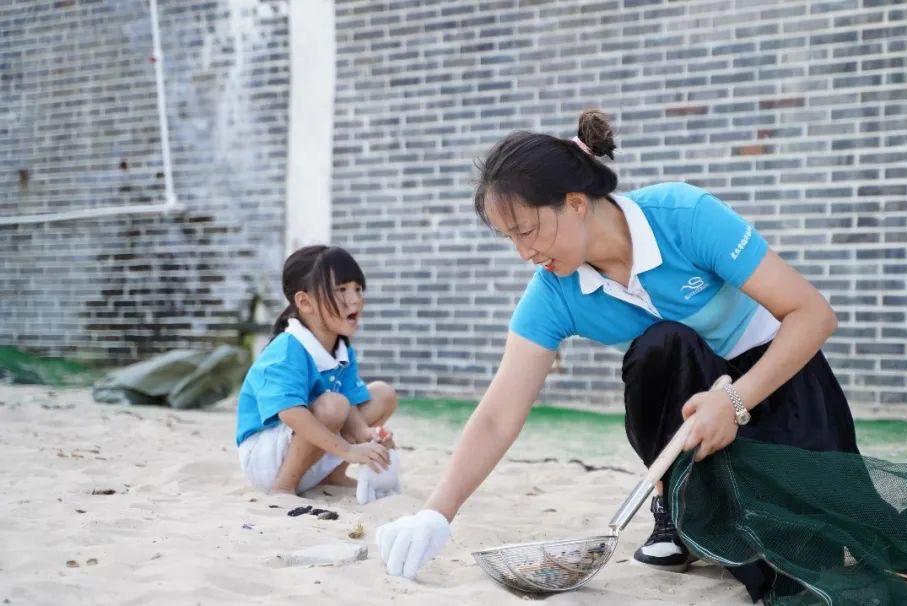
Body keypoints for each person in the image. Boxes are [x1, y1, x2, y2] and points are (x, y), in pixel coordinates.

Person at [376, 110, 857, 601]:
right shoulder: (555, 292)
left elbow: (813, 315)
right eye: (511, 239)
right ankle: (678, 502)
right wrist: (436, 513)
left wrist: (733, 401)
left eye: (528, 230)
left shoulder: (682, 216)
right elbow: (499, 414)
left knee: (810, 557)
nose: (524, 252)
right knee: (661, 347)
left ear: (576, 202)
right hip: (696, 420)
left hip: (780, 386)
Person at [235, 245, 402, 502]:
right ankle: (284, 487)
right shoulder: (288, 348)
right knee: (333, 404)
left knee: (382, 394)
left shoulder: (341, 347)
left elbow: (352, 409)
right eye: (341, 290)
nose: (355, 299)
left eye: (358, 289)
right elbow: (291, 413)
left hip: (309, 446)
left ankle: (331, 477)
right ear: (304, 302)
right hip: (266, 459)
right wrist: (348, 450)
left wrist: (369, 437)